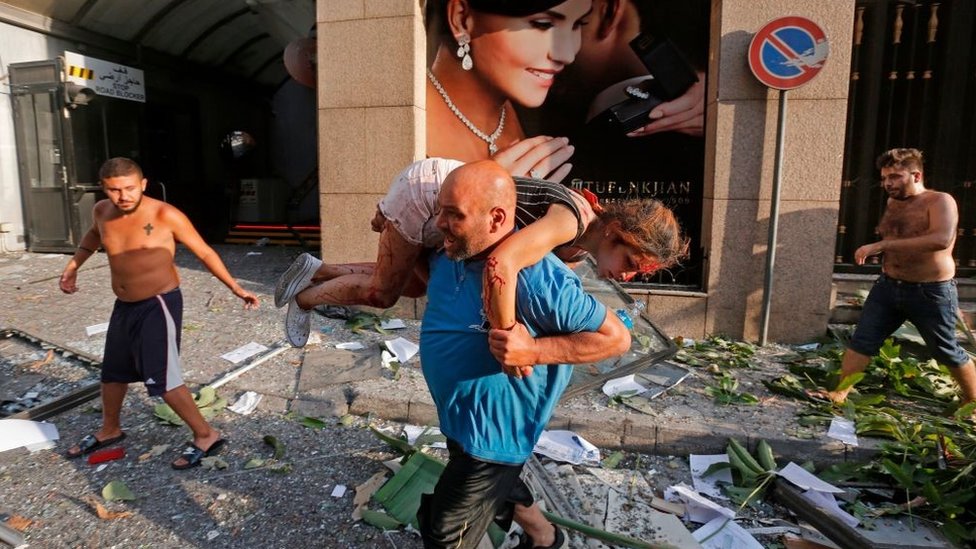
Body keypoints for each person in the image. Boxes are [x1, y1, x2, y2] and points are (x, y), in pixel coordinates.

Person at [418, 160, 631, 548]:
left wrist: (532, 349)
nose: (439, 224)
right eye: (440, 211)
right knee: (505, 487)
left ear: (497, 217)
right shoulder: (455, 251)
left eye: (454, 215)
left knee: (444, 533)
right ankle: (545, 538)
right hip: (460, 420)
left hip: (494, 437)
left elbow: (615, 338)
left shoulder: (539, 278)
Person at [275, 157, 687, 347]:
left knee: (415, 286)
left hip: (450, 198)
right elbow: (501, 262)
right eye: (631, 264)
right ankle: (305, 298)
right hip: (435, 197)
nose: (627, 276)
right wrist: (510, 340)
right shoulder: (572, 220)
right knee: (382, 294)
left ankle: (318, 268)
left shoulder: (577, 251)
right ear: (615, 230)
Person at [59, 157, 259, 469]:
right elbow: (93, 236)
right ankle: (109, 429)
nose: (122, 196)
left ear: (142, 184)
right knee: (113, 371)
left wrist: (235, 287)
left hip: (158, 303)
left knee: (163, 377)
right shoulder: (101, 211)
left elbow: (204, 251)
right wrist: (73, 266)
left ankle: (206, 435)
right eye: (114, 190)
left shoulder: (166, 214)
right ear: (104, 189)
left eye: (129, 188)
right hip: (124, 305)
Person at [815, 149, 976, 410]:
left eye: (895, 177)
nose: (888, 183)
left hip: (930, 291)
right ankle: (840, 393)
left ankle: (972, 402)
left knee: (946, 349)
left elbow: (941, 239)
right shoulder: (893, 203)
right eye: (885, 178)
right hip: (889, 287)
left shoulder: (939, 201)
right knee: (863, 340)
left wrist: (881, 245)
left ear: (916, 175)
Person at [424, 0, 591, 179]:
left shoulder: (545, 115)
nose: (568, 55)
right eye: (543, 24)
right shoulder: (403, 121)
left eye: (578, 24)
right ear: (461, 19)